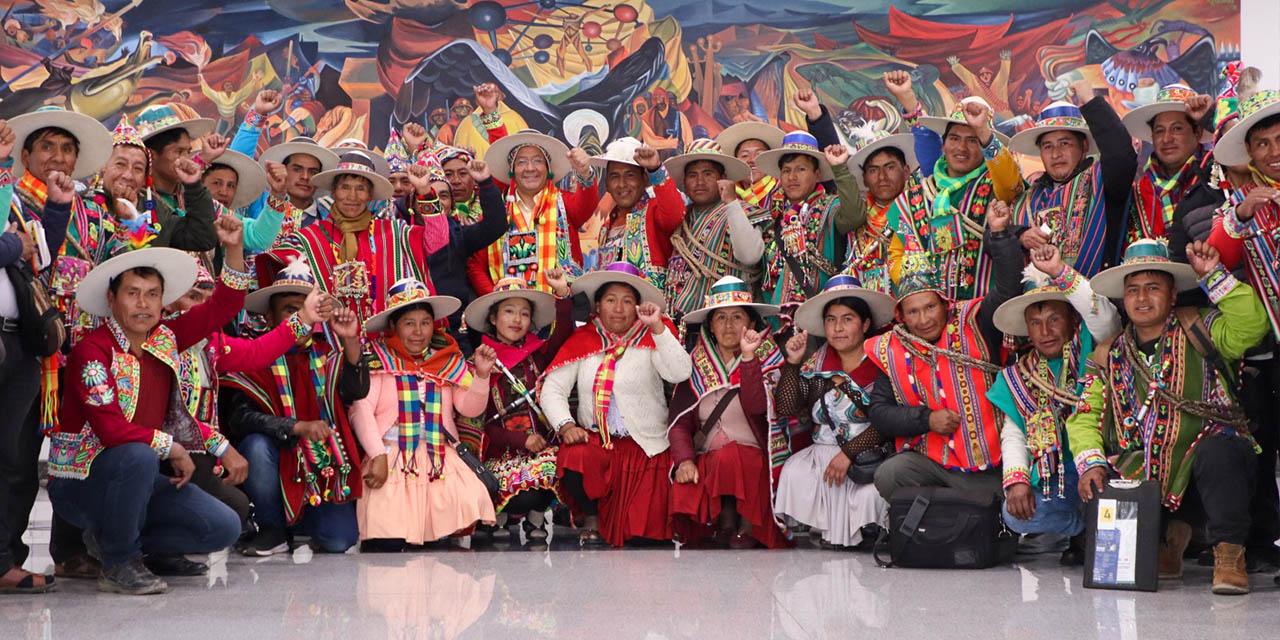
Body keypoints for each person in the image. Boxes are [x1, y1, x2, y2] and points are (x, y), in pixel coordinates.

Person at [45, 220, 253, 595]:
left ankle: (123, 542)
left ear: (163, 300)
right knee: (138, 456)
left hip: (135, 479)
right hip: (81, 485)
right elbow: (110, 431)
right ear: (112, 299)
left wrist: (234, 249)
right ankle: (119, 562)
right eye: (133, 293)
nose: (143, 304)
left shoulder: (166, 338)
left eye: (152, 294)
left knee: (223, 525)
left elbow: (224, 305)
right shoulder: (93, 351)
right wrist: (171, 446)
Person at [1067, 239, 1270, 595]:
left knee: (1217, 451)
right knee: (1112, 475)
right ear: (1123, 299)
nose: (1142, 298)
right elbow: (1085, 416)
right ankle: (1164, 545)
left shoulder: (1202, 328)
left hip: (1211, 478)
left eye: (1152, 288)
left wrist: (1214, 277)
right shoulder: (1108, 354)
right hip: (1149, 479)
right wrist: (1092, 463)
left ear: (1173, 295)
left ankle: (1229, 554)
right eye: (1132, 290)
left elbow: (1252, 326)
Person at [866, 199, 1024, 499]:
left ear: (945, 304)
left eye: (929, 307)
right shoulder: (892, 348)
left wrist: (1001, 235)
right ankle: (938, 520)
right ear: (901, 315)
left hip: (993, 464)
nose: (923, 319)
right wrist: (925, 420)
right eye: (913, 312)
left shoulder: (975, 321)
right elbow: (880, 412)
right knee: (890, 473)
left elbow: (1007, 291)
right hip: (934, 466)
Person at [221, 258, 369, 556]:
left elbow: (355, 391)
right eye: (291, 310)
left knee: (339, 542)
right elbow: (238, 418)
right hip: (276, 455)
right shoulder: (252, 354)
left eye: (307, 309)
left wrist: (351, 341)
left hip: (321, 468)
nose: (302, 317)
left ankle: (304, 518)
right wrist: (295, 427)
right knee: (256, 446)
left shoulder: (326, 354)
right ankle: (272, 527)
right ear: (269, 316)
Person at [539, 262, 693, 546]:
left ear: (638, 306)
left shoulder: (653, 336)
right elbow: (552, 390)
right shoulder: (584, 340)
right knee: (574, 456)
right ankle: (592, 516)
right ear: (598, 305)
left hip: (645, 449)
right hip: (599, 446)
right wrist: (566, 424)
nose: (619, 309)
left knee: (642, 537)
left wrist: (658, 328)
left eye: (627, 301)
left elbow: (680, 372)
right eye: (611, 300)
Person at [987, 244, 1122, 565]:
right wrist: (1017, 480)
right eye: (1035, 322)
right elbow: (1014, 435)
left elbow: (1104, 317)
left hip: (1108, 462)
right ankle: (1082, 528)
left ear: (1072, 320)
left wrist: (1060, 273)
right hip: (1059, 475)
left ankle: (1097, 528)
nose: (1045, 331)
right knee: (1016, 515)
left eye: (1053, 319)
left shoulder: (1095, 346)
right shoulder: (1017, 377)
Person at [349, 278, 498, 549]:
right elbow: (360, 410)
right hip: (391, 456)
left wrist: (482, 376)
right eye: (409, 323)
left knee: (443, 548)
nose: (418, 332)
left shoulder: (446, 361)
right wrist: (377, 455)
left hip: (439, 457)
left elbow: (469, 408)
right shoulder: (376, 360)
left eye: (425, 323)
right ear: (393, 326)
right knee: (388, 542)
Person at [1205, 86, 1280, 575]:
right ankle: (1263, 543)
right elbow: (1215, 258)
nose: (1274, 153)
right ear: (1249, 153)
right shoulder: (1237, 202)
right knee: (1266, 445)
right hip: (1265, 352)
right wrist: (1243, 213)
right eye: (1264, 145)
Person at [772, 275, 896, 548]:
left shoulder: (883, 363)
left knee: (871, 496)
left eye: (847, 319)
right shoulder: (818, 364)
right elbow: (786, 407)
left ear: (865, 324)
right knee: (794, 471)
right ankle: (821, 527)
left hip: (868, 457)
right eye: (831, 320)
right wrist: (792, 364)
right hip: (821, 454)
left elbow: (888, 422)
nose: (838, 328)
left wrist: (849, 453)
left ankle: (868, 532)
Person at [0, 141, 74, 594]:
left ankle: (5, 558)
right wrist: (13, 243)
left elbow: (38, 256)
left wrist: (58, 208)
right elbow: (13, 247)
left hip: (17, 341)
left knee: (14, 461)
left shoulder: (14, 205)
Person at [668, 276, 789, 548]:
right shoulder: (694, 364)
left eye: (737, 316)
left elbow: (757, 407)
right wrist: (685, 460)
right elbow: (679, 422)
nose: (729, 325)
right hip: (709, 460)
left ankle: (747, 524)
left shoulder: (768, 357)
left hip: (754, 462)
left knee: (733, 456)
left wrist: (748, 359)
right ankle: (722, 522)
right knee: (712, 462)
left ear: (751, 322)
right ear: (711, 325)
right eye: (721, 318)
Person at [882, 71, 1023, 300]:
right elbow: (897, 254)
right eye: (955, 139)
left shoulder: (995, 186)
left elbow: (1010, 180)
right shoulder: (919, 193)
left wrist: (984, 131)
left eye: (973, 140)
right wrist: (919, 292)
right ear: (944, 145)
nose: (962, 148)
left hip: (979, 314)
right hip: (928, 316)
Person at [261, 150, 447, 324]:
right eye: (345, 187)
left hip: (387, 348)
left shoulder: (396, 232)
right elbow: (266, 268)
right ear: (333, 192)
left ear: (370, 195)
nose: (352, 196)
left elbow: (437, 240)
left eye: (360, 188)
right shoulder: (308, 239)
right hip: (329, 348)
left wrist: (424, 191)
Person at [459, 270, 574, 545]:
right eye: (509, 311)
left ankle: (536, 517)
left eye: (524, 313)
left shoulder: (539, 353)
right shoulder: (480, 361)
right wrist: (520, 440)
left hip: (541, 448)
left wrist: (563, 296)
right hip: (500, 450)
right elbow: (482, 422)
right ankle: (496, 515)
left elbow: (564, 337)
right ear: (493, 318)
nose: (517, 319)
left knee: (558, 467)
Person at [1006, 80, 1138, 277]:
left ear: (1084, 147)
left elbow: (1121, 155)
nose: (1056, 154)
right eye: (1048, 146)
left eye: (1064, 143)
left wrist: (1090, 101)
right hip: (1039, 304)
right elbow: (995, 239)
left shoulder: (1104, 181)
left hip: (1094, 299)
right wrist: (1019, 234)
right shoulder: (1025, 200)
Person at [476, 129, 597, 294]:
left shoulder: (565, 203)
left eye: (537, 160)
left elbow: (588, 204)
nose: (530, 168)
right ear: (511, 169)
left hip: (559, 308)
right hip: (509, 313)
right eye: (521, 162)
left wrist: (584, 172)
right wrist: (494, 300)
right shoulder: (496, 211)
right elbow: (476, 264)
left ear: (548, 168)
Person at [754, 132, 864, 308]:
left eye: (801, 169)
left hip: (821, 316)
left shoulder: (831, 207)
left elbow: (854, 216)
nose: (792, 177)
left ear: (817, 174)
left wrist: (840, 169)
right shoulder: (773, 219)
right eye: (786, 170)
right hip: (777, 323)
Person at [662, 139, 767, 320]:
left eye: (708, 173)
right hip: (680, 323)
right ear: (684, 182)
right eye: (693, 175)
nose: (700, 181)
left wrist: (731, 204)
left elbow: (750, 256)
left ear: (723, 177)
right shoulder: (679, 218)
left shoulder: (745, 211)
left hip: (728, 322)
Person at [228, 89, 341, 230]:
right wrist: (259, 112)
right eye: (297, 169)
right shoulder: (261, 202)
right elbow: (239, 162)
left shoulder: (330, 217)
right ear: (282, 170)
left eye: (313, 171)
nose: (305, 177)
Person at [416, 156, 506, 331]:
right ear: (414, 200)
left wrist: (486, 184)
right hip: (414, 325)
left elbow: (495, 226)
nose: (438, 202)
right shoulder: (400, 233)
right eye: (430, 194)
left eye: (443, 196)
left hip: (454, 326)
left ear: (452, 203)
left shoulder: (459, 234)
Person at [1121, 84, 1216, 243]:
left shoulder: (1218, 176)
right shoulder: (1138, 192)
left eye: (1177, 128)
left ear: (1198, 132)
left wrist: (1211, 116)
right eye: (1159, 131)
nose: (1166, 139)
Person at [590, 136, 687, 290]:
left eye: (630, 175)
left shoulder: (654, 210)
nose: (622, 184)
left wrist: (655, 169)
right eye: (615, 176)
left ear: (645, 179)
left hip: (652, 311)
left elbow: (675, 215)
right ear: (607, 184)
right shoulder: (606, 227)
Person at [134, 104, 221, 252]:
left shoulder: (193, 195)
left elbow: (256, 235)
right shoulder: (137, 201)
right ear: (151, 155)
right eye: (179, 151)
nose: (185, 159)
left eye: (188, 152)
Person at [715, 122, 784, 210]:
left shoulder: (784, 190)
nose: (752, 160)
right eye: (745, 155)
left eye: (759, 154)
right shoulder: (724, 194)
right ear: (735, 161)